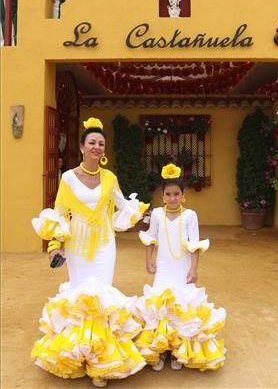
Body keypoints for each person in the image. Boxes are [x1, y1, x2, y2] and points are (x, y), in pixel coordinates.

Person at [31, 117, 149, 387]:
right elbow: (59, 215)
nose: (97, 146)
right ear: (83, 147)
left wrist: (144, 215)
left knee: (101, 297)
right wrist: (54, 246)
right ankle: (76, 356)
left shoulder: (110, 178)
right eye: (92, 142)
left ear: (104, 150)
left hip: (106, 246)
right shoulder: (68, 178)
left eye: (101, 143)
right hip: (77, 248)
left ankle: (100, 363)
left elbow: (123, 205)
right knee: (81, 296)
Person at [134, 163, 226, 371]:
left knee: (182, 305)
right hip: (164, 267)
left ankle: (179, 350)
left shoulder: (190, 216)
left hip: (182, 266)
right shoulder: (157, 214)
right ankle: (162, 350)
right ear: (162, 195)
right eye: (168, 194)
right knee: (161, 306)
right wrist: (148, 260)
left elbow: (194, 245)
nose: (172, 198)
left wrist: (194, 269)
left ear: (183, 195)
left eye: (177, 193)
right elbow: (151, 239)